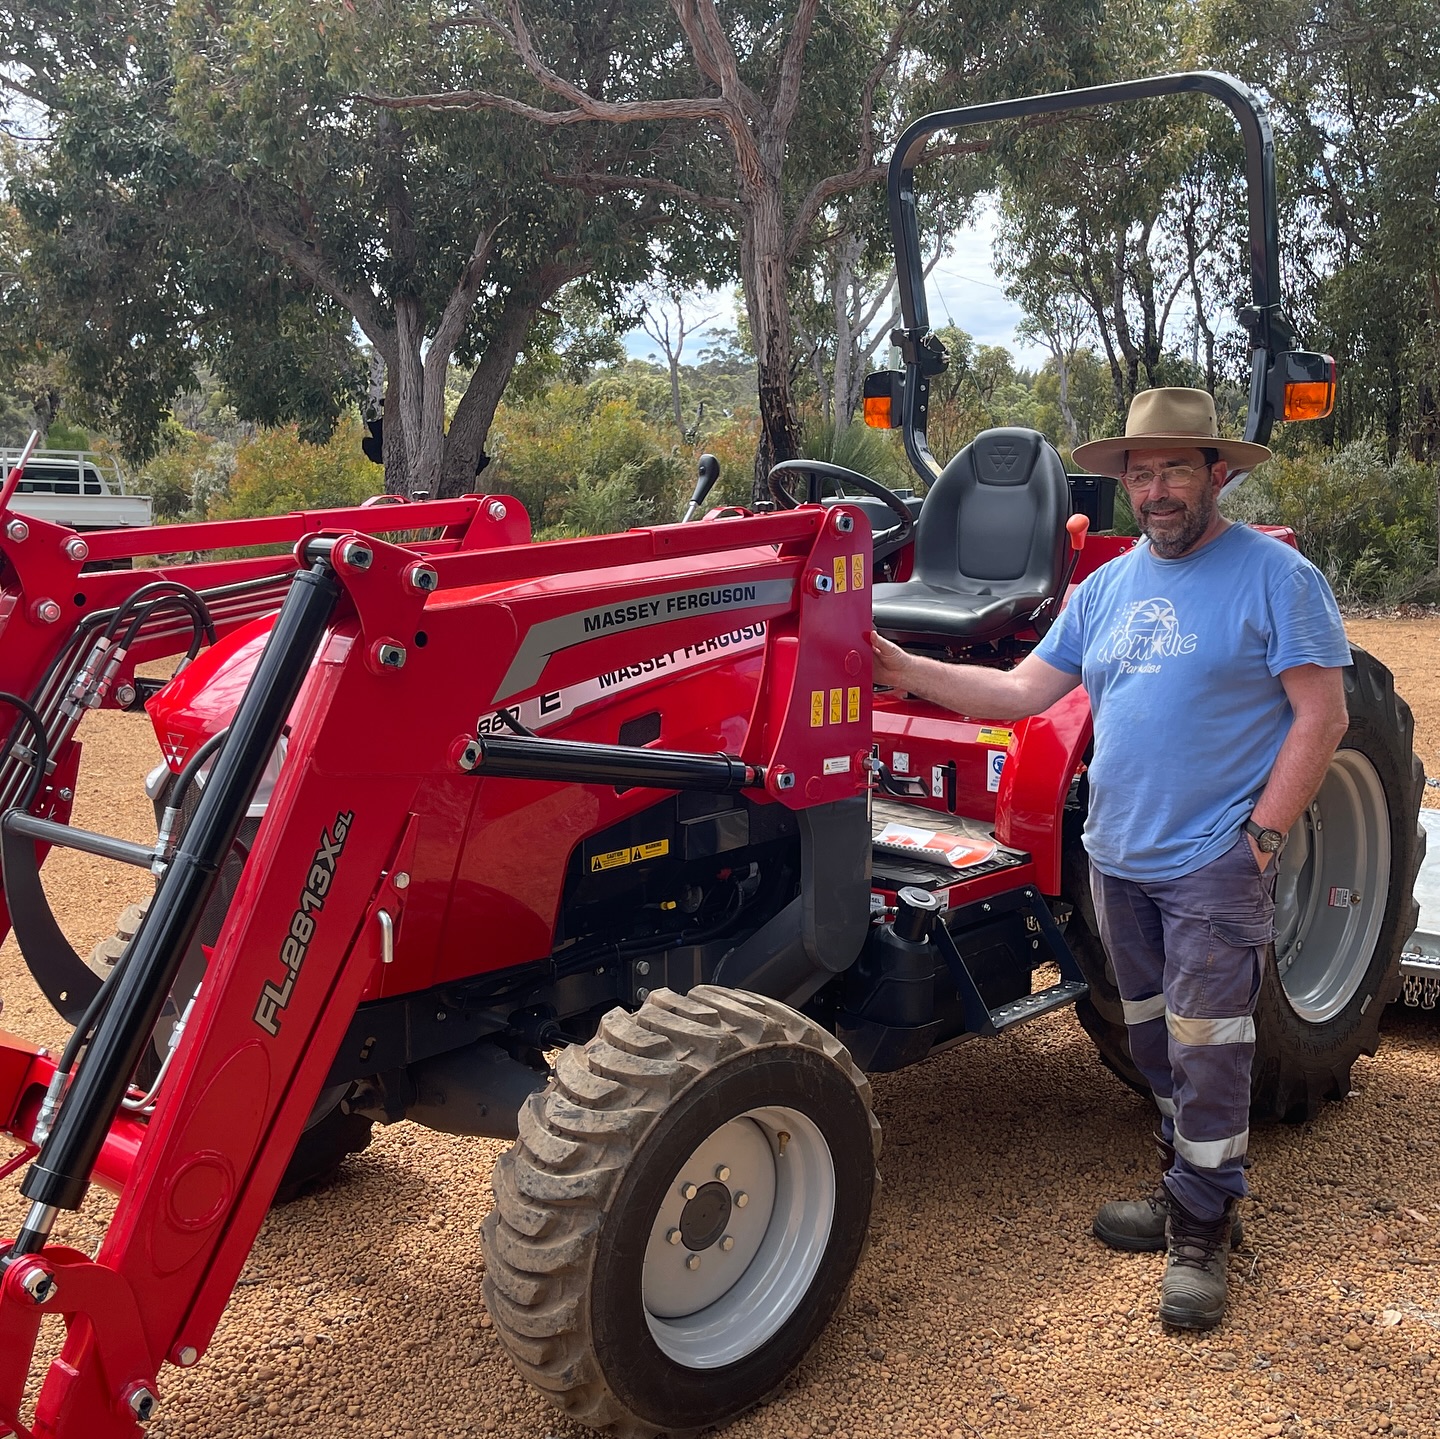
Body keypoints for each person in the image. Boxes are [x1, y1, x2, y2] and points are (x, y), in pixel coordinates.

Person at [871, 387, 1351, 1330]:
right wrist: (903, 669)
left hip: (1212, 861)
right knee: (1153, 1040)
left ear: (1219, 474)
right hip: (1116, 859)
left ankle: (1207, 1230)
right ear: (1125, 483)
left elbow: (1322, 714)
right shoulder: (1107, 587)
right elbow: (1017, 691)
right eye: (1142, 472)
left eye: (1177, 469)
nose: (1159, 488)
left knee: (1211, 1049)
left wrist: (1259, 839)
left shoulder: (1274, 579)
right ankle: (1186, 1185)